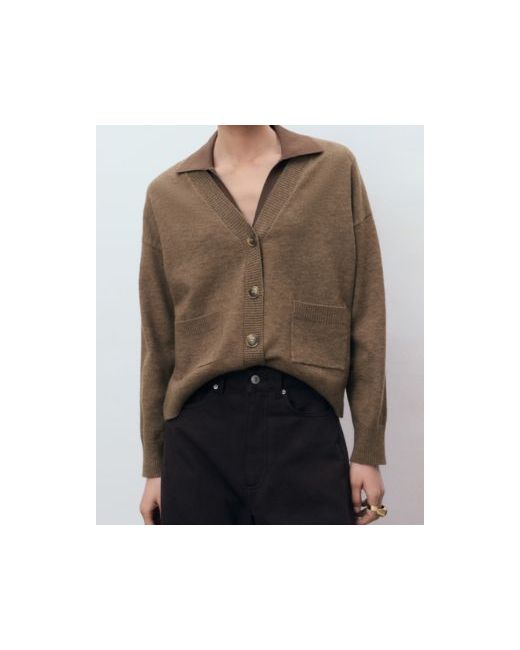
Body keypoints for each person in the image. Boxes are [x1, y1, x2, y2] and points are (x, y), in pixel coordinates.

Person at [138, 125, 388, 525]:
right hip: (198, 438)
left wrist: (368, 450)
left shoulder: (333, 169)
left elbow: (367, 311)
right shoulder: (166, 193)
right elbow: (158, 338)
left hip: (305, 426)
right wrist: (155, 465)